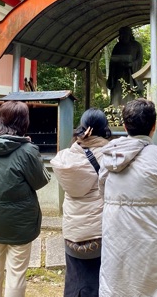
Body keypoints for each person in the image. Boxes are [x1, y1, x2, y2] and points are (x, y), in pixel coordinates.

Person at [98, 98, 157, 297]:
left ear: (125, 126)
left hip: (116, 231)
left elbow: (102, 191)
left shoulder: (110, 155)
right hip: (155, 234)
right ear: (154, 126)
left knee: (119, 283)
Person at [0, 100, 51, 297]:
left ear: (1, 120)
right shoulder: (27, 150)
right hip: (20, 221)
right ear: (24, 121)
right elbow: (40, 181)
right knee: (16, 272)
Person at [50, 109, 113, 297]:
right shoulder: (107, 156)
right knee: (98, 283)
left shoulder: (67, 156)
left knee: (74, 281)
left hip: (72, 231)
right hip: (98, 232)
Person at [106, 26, 144, 106]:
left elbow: (139, 60)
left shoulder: (137, 46)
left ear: (130, 35)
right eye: (121, 35)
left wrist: (132, 64)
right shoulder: (117, 46)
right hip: (118, 76)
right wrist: (118, 62)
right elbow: (112, 62)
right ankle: (116, 110)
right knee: (117, 95)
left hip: (132, 76)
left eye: (125, 34)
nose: (123, 37)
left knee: (131, 95)